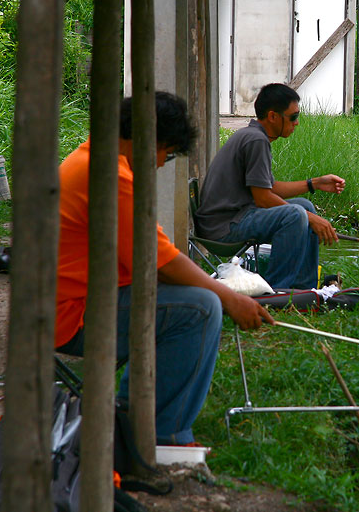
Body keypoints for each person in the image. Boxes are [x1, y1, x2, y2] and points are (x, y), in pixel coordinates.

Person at [55, 91, 273, 446]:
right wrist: (229, 297)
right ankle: (161, 434)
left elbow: (156, 254)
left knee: (192, 298)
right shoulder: (109, 176)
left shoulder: (96, 158)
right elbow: (162, 261)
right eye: (166, 154)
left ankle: (133, 414)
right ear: (145, 139)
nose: (160, 164)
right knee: (201, 310)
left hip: (75, 302)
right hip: (73, 316)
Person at [194, 83, 345, 290]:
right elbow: (263, 199)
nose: (297, 123)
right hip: (224, 226)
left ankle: (304, 288)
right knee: (295, 214)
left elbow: (269, 188)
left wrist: (315, 184)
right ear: (273, 116)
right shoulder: (255, 140)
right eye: (292, 117)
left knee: (303, 207)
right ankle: (278, 290)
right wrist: (312, 219)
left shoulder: (253, 137)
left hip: (236, 217)